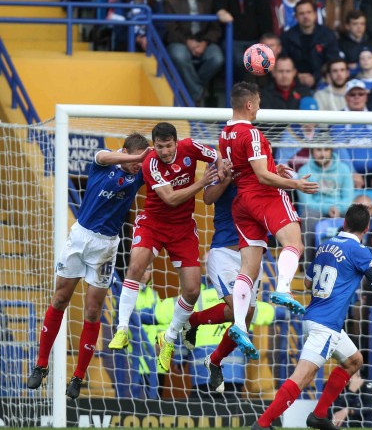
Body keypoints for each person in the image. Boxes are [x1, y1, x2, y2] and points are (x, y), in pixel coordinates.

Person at [26, 134, 150, 398]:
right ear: (125, 151)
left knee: (93, 311)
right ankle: (41, 364)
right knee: (60, 298)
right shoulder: (104, 162)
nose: (138, 165)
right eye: (134, 159)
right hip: (80, 238)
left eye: (141, 161)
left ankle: (78, 376)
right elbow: (104, 155)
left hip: (105, 247)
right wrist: (135, 157)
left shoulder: (139, 175)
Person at [251, 204, 372, 430]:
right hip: (325, 324)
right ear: (366, 228)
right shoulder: (360, 251)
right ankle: (262, 423)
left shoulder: (325, 245)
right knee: (303, 376)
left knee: (354, 361)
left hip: (316, 317)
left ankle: (319, 414)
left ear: (344, 223)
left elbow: (307, 283)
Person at [109, 123, 222, 373]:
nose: (165, 151)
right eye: (159, 147)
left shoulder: (190, 147)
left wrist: (223, 167)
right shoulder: (150, 162)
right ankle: (122, 329)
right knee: (136, 267)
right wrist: (203, 182)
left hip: (182, 230)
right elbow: (170, 199)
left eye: (168, 146)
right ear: (154, 145)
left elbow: (218, 155)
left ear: (176, 142)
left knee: (192, 291)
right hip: (154, 224)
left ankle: (169, 338)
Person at [217, 83, 320, 355]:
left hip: (241, 203)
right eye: (259, 102)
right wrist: (295, 184)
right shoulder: (251, 133)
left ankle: (239, 324)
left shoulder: (225, 133)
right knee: (294, 243)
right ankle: (283, 289)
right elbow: (261, 176)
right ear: (249, 105)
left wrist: (275, 167)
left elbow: (247, 168)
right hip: (264, 196)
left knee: (248, 268)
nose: (260, 107)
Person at [182, 178, 260, 393]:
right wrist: (226, 177)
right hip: (225, 252)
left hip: (253, 255)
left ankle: (211, 354)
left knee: (246, 316)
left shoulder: (262, 173)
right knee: (240, 312)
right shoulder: (222, 168)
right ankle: (195, 324)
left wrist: (280, 178)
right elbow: (208, 198)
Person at [164, 0, 225, 106]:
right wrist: (188, 42)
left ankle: (190, 92)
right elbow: (170, 29)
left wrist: (204, 43)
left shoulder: (209, 0)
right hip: (180, 42)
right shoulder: (170, 0)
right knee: (178, 56)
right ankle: (198, 94)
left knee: (217, 58)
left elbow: (215, 29)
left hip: (204, 42)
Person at [212, 0, 273, 81]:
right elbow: (218, 7)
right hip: (232, 41)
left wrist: (265, 40)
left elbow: (266, 17)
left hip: (256, 40)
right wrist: (221, 12)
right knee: (241, 61)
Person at [280, 0, 341, 88]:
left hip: (323, 80)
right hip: (293, 80)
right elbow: (284, 60)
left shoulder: (327, 35)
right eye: (301, 13)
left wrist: (315, 77)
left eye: (309, 12)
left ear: (315, 14)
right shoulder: (287, 37)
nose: (306, 16)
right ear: (296, 17)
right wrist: (297, 76)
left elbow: (333, 61)